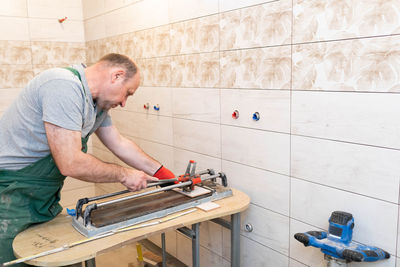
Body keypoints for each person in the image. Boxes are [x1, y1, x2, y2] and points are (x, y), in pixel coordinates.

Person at [0, 53, 175, 264]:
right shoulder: (62, 85)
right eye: (127, 93)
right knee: (12, 260)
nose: (124, 103)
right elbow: (70, 162)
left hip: (42, 197)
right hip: (9, 194)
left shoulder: (95, 105)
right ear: (117, 76)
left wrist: (167, 176)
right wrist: (124, 174)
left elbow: (119, 143)